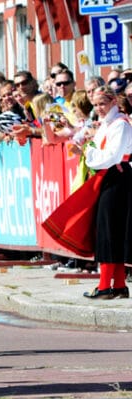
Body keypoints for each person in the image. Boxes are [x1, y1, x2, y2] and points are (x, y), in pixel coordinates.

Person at [81, 86, 132, 299]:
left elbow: (112, 155)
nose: (99, 108)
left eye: (102, 103)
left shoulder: (120, 124)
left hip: (118, 176)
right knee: (110, 230)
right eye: (95, 105)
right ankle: (118, 284)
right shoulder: (107, 124)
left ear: (113, 102)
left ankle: (105, 286)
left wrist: (89, 152)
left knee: (110, 231)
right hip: (110, 177)